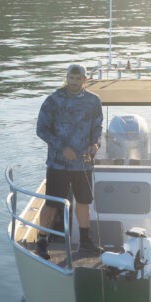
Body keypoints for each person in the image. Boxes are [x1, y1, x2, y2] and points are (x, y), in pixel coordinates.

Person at [35, 63, 103, 259]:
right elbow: (41, 130)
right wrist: (62, 148)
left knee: (83, 202)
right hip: (58, 164)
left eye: (77, 79)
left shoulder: (94, 101)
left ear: (85, 80)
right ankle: (41, 241)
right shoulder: (53, 100)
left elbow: (97, 128)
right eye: (70, 78)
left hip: (84, 163)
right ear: (66, 78)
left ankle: (85, 243)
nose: (73, 82)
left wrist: (95, 145)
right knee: (52, 204)